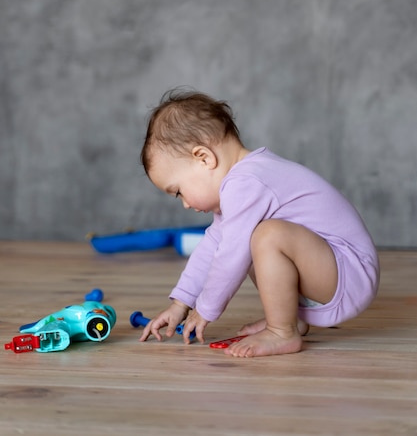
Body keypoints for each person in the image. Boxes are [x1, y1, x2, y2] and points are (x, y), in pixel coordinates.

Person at [139, 89, 380, 358]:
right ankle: (291, 320)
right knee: (253, 236)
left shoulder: (247, 182)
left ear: (204, 158)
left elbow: (230, 258)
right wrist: (180, 303)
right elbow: (213, 247)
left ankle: (282, 331)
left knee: (265, 236)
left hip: (350, 274)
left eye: (178, 191)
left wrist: (204, 309)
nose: (184, 203)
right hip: (333, 270)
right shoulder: (241, 185)